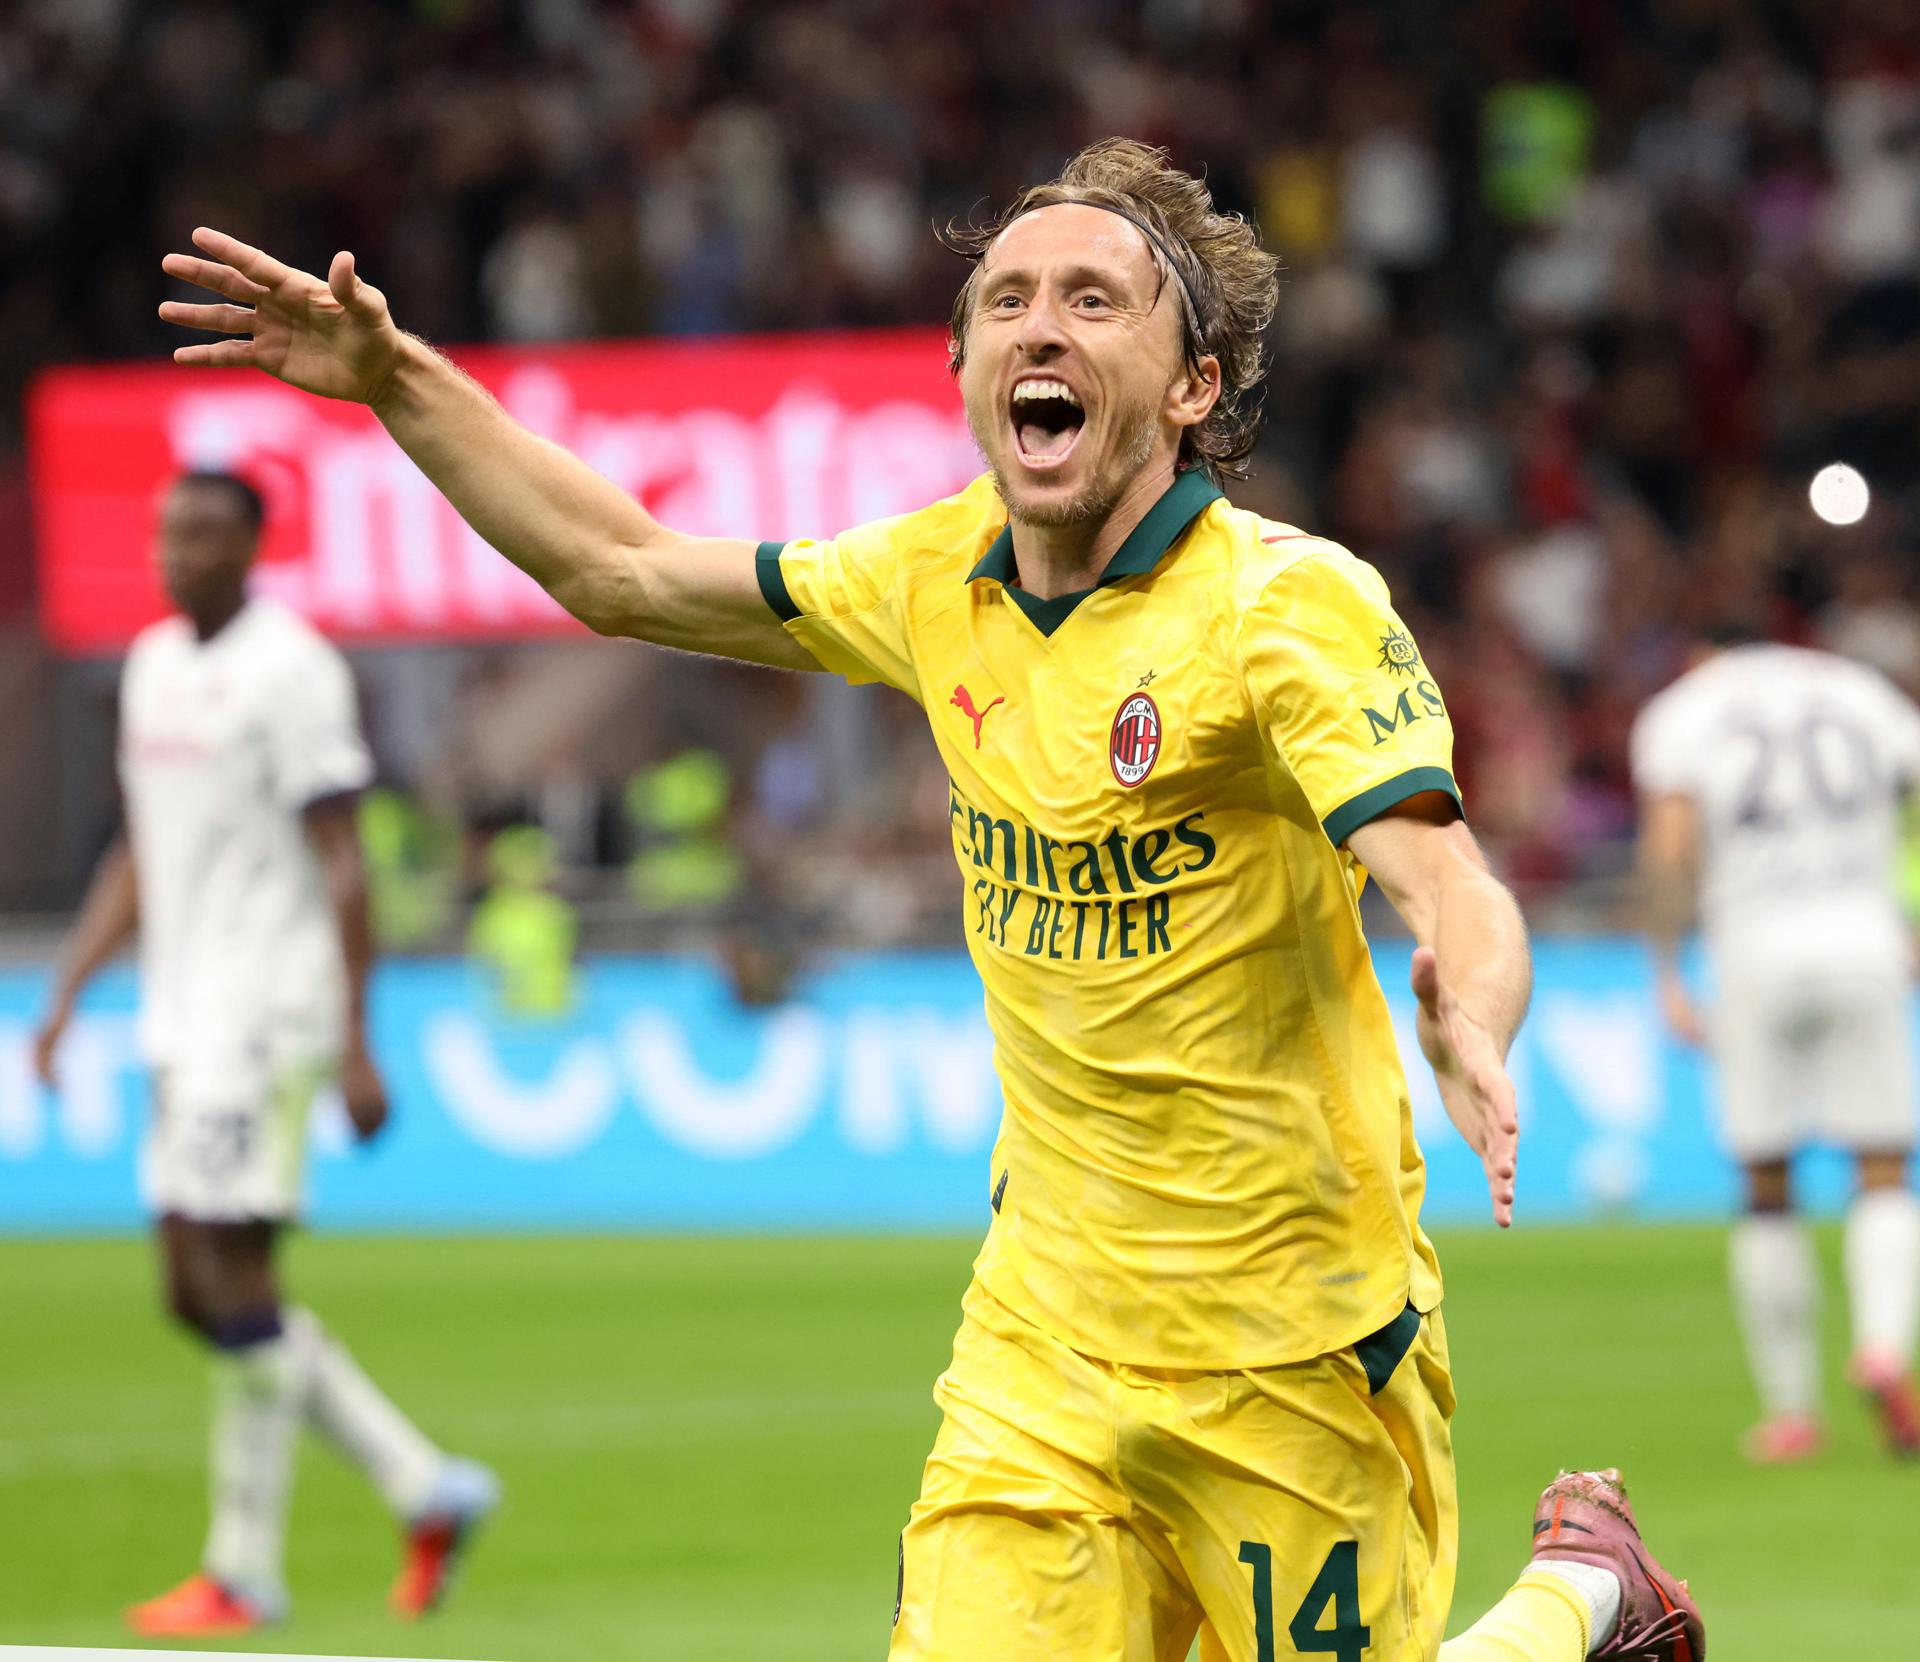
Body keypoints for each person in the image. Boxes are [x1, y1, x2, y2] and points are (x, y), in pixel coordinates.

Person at [158, 140, 1702, 1661]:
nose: (1044, 322)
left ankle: (1582, 1598)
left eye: (1098, 300)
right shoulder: (925, 579)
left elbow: (1447, 873)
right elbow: (619, 566)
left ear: (1192, 389)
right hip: (1042, 1342)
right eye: (1010, 297)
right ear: (964, 367)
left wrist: (1469, 1003)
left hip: (1295, 1348)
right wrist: (397, 380)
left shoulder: (1283, 607)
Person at [33, 471, 498, 1637]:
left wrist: (356, 1035)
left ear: (250, 548)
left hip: (268, 1011)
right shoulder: (150, 667)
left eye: (201, 533)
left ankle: (244, 1570)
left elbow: (343, 857)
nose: (176, 551)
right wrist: (71, 988)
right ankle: (420, 1484)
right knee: (199, 1290)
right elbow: (143, 846)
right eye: (166, 530)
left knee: (223, 1273)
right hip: (179, 1013)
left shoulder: (291, 671)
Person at [1634, 626, 1920, 1462]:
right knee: (1883, 1164)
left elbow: (1670, 846)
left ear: (1702, 654)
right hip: (1865, 940)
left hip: (1752, 950)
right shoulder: (1857, 689)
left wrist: (1665, 972)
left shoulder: (1682, 711)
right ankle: (1882, 1347)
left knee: (1765, 1180)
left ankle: (1793, 1412)